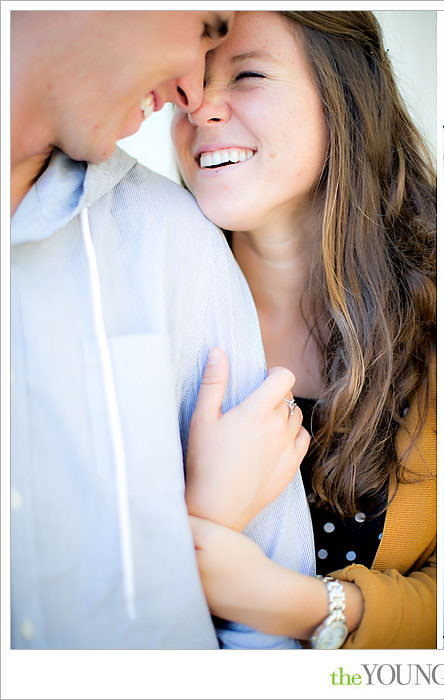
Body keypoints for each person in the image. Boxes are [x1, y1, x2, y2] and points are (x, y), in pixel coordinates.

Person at [10, 11, 313, 649]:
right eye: (203, 35)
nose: (195, 98)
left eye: (246, 71)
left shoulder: (179, 242)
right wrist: (201, 524)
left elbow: (269, 628)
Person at [171, 11, 436, 649]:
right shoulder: (148, 302)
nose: (202, 109)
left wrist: (298, 606)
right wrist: (206, 519)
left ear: (345, 96)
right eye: (187, 84)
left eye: (248, 74)